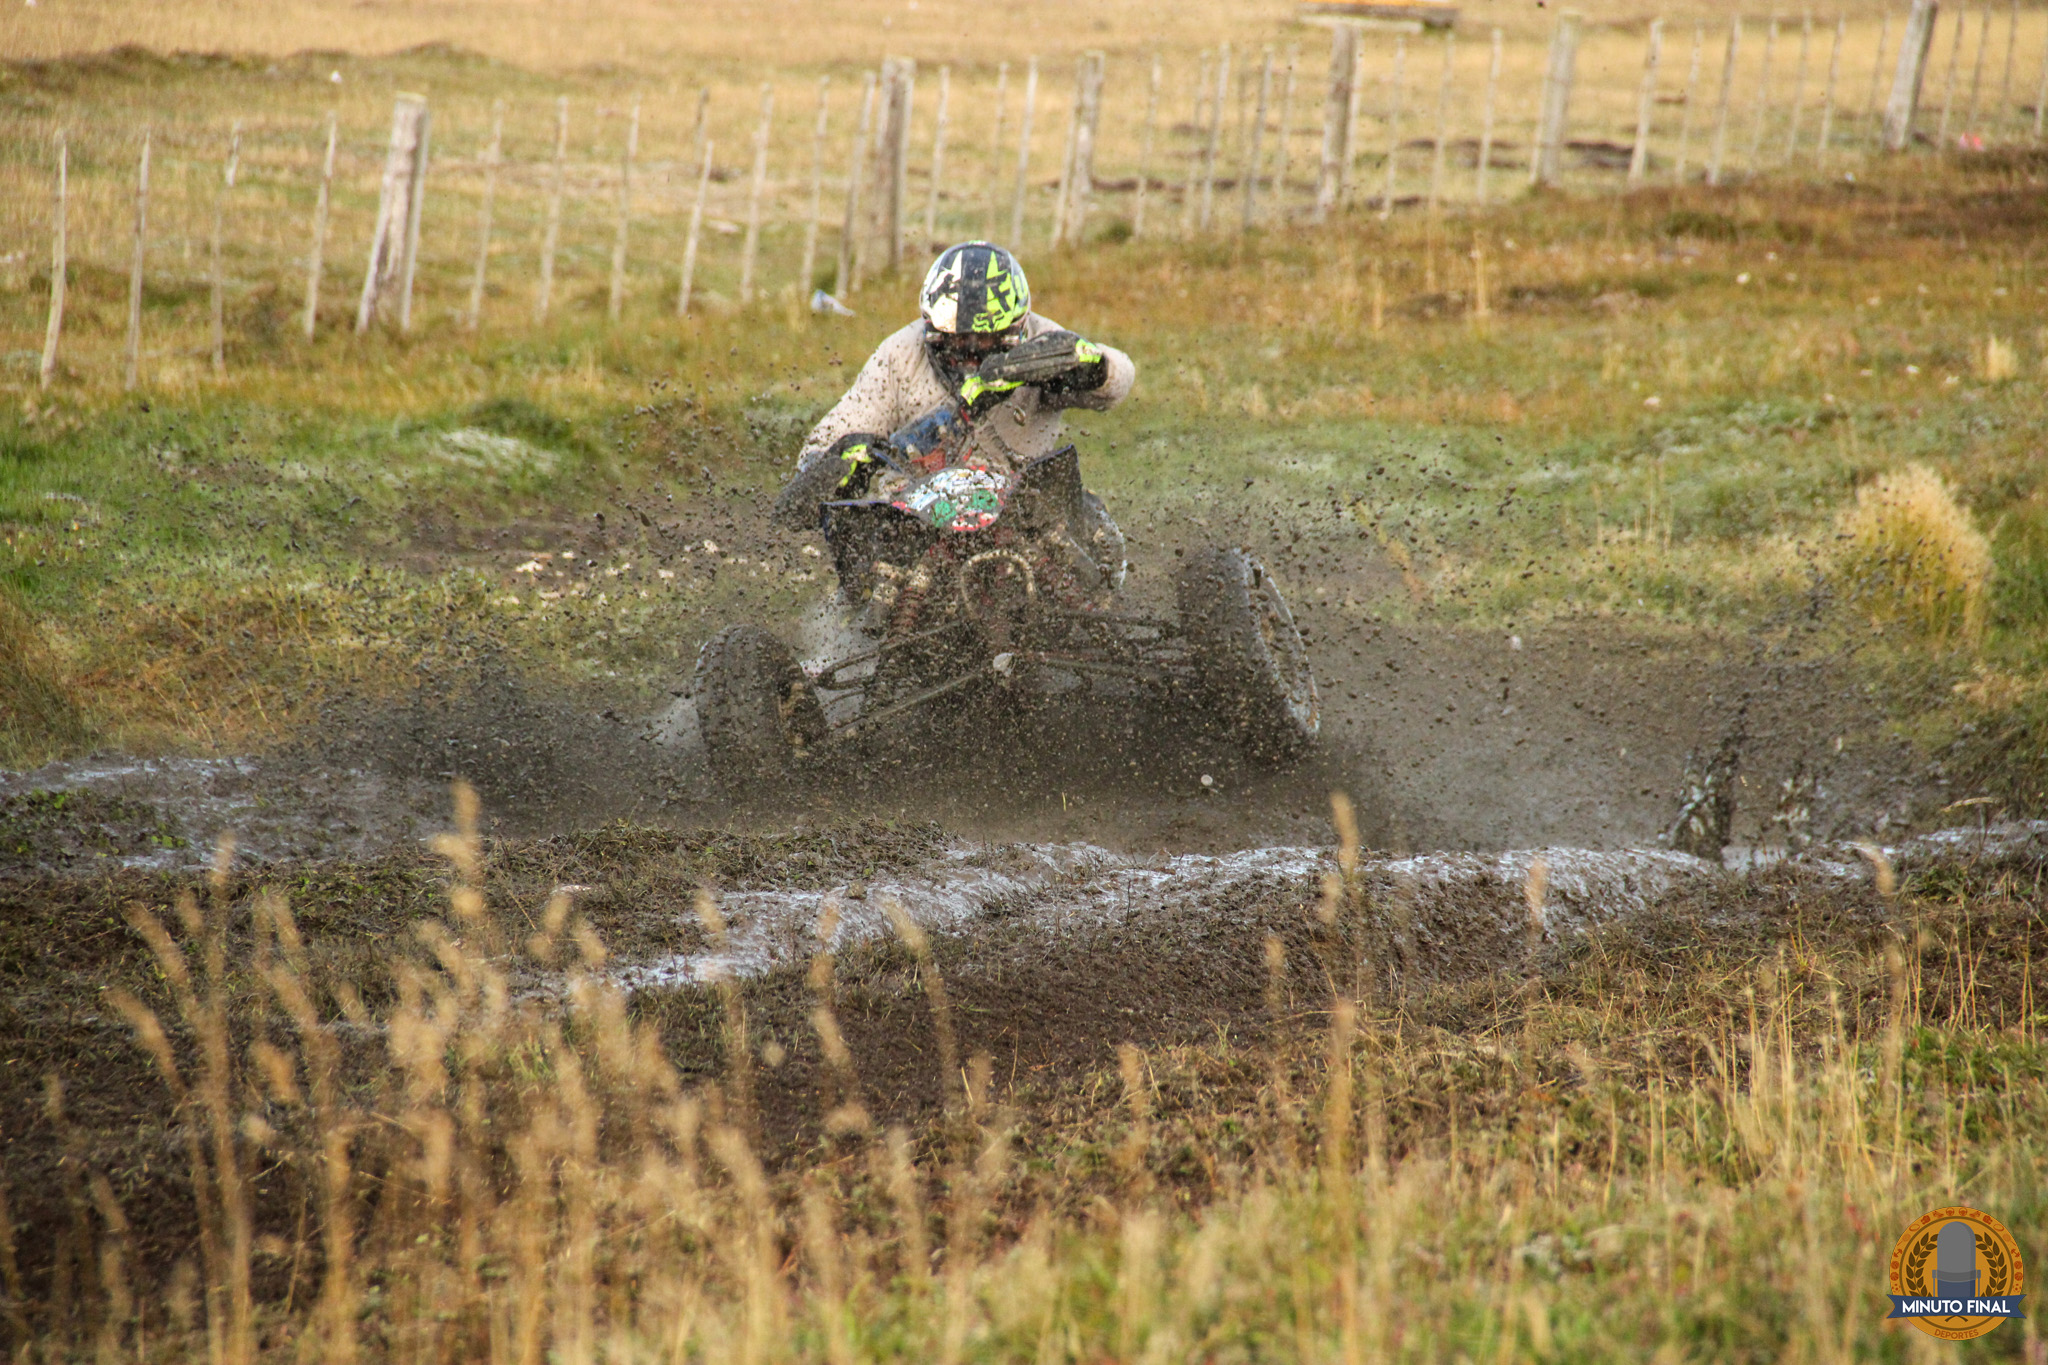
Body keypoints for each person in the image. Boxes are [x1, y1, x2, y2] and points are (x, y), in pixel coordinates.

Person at [773, 242, 1135, 590]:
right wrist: (836, 466)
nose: (970, 357)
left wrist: (1088, 366)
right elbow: (828, 439)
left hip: (1026, 506)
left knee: (1096, 529)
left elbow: (1117, 380)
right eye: (958, 345)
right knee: (857, 575)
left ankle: (1097, 616)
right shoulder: (900, 353)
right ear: (932, 332)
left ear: (1017, 329)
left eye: (986, 346)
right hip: (920, 513)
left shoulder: (1043, 337)